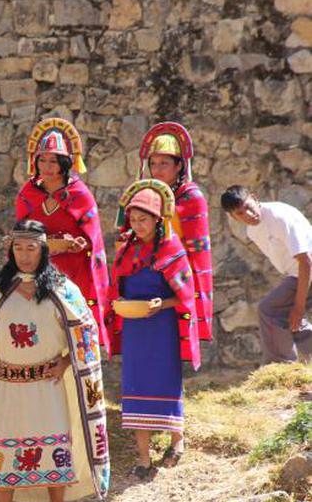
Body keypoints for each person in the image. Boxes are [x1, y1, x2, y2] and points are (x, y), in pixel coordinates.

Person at [0, 220, 110, 502]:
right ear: (11, 250)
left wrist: (65, 361)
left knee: (54, 448)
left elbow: (85, 332)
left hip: (47, 386)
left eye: (31, 248)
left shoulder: (62, 289)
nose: (25, 255)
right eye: (18, 248)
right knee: (4, 451)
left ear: (43, 249)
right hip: (7, 386)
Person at [108, 180, 200, 478]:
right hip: (136, 328)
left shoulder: (172, 248)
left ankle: (177, 440)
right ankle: (144, 458)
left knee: (165, 382)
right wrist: (119, 302)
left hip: (162, 327)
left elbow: (186, 294)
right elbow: (118, 286)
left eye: (143, 219)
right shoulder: (126, 250)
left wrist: (162, 303)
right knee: (135, 385)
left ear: (158, 220)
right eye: (133, 220)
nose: (138, 225)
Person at [15, 118, 112, 356]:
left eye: (54, 161)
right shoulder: (28, 194)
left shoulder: (80, 195)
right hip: (38, 272)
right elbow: (21, 233)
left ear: (64, 164)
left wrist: (77, 244)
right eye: (42, 160)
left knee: (69, 336)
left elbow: (93, 241)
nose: (47, 166)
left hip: (73, 274)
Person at [138, 123, 213, 340]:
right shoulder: (147, 195)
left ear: (179, 165)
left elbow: (196, 246)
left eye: (164, 163)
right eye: (153, 163)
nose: (157, 169)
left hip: (180, 273)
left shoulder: (191, 197)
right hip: (151, 271)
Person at [221, 185, 312, 363]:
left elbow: (306, 261)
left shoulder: (278, 216)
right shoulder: (252, 231)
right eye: (240, 213)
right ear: (232, 217)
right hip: (297, 274)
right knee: (287, 317)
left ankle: (280, 367)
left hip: (306, 271)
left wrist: (299, 306)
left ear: (254, 198)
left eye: (248, 207)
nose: (248, 214)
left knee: (270, 310)